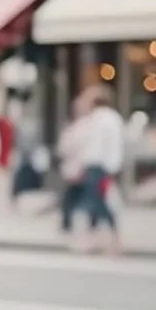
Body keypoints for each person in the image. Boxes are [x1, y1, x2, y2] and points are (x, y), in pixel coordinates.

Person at [58, 84, 124, 254]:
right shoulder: (112, 118)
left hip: (96, 164)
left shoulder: (98, 119)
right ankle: (97, 236)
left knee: (97, 201)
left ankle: (110, 236)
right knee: (93, 200)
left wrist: (82, 165)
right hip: (104, 164)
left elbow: (92, 146)